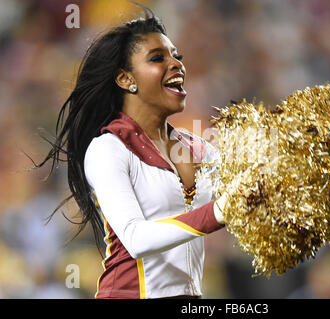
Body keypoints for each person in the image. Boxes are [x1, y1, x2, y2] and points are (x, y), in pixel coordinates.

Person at [36, 5, 229, 299]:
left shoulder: (200, 148)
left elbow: (249, 199)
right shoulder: (108, 149)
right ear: (126, 79)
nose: (176, 64)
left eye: (177, 57)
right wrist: (219, 212)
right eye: (157, 58)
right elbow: (136, 238)